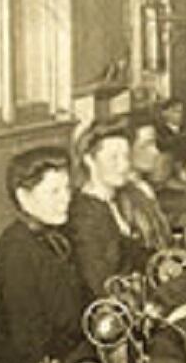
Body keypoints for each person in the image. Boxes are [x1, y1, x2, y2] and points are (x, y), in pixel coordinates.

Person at [0, 146, 92, 363]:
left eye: (66, 188)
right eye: (54, 191)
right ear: (24, 197)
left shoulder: (51, 239)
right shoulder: (16, 253)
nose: (66, 198)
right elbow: (29, 346)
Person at [68, 119, 170, 293]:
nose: (124, 166)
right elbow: (101, 286)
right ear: (89, 160)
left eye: (125, 156)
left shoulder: (117, 201)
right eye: (113, 157)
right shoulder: (84, 216)